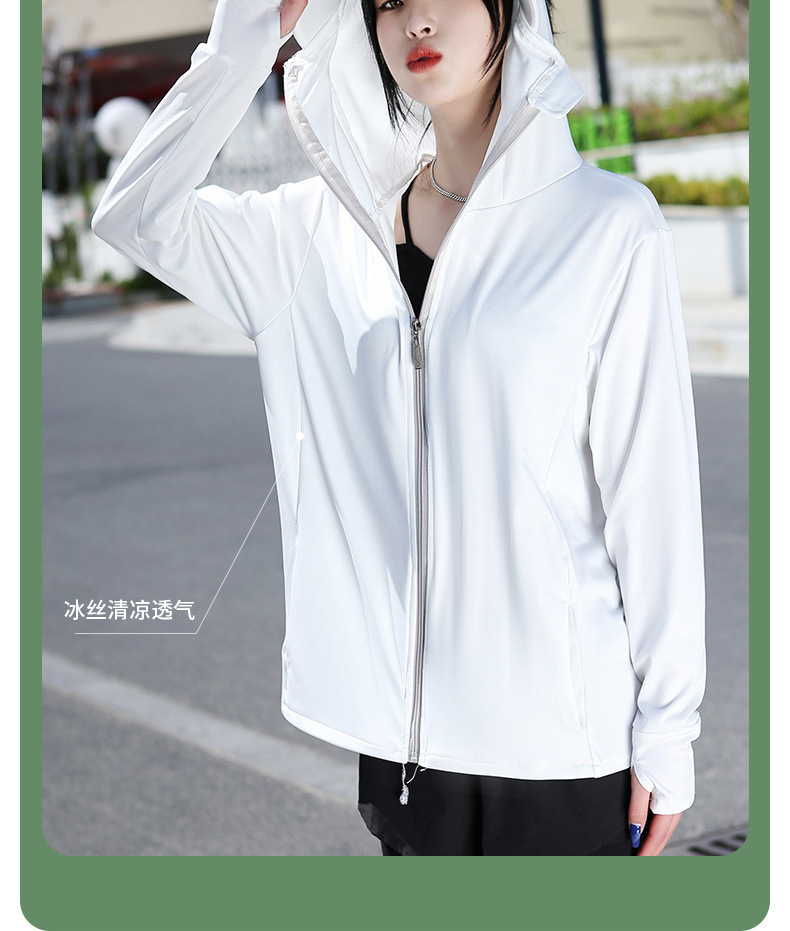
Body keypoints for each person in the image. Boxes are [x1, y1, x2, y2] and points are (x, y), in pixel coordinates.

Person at [92, 0, 705, 858]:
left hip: (563, 747)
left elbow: (653, 496)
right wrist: (240, 48)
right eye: (385, 1)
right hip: (406, 749)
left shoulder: (607, 226)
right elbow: (135, 214)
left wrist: (669, 723)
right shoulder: (311, 235)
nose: (414, 19)